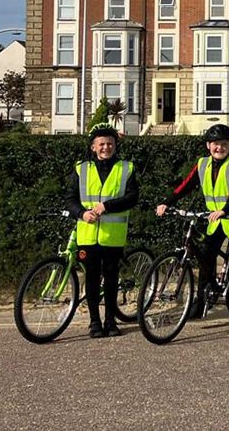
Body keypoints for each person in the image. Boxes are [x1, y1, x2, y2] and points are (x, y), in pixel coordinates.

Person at [155, 123, 229, 318]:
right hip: (214, 219)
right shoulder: (202, 163)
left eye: (223, 144)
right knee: (205, 255)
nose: (219, 148)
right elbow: (185, 186)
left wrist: (225, 209)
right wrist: (166, 202)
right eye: (215, 144)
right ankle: (203, 299)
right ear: (208, 145)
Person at [64, 123, 139, 338]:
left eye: (110, 143)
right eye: (102, 144)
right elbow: (70, 198)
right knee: (92, 279)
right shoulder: (81, 168)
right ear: (93, 147)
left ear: (115, 145)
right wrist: (81, 213)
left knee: (111, 278)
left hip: (113, 236)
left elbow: (132, 197)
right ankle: (94, 322)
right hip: (87, 234)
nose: (106, 147)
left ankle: (110, 321)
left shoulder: (127, 167)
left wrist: (107, 206)